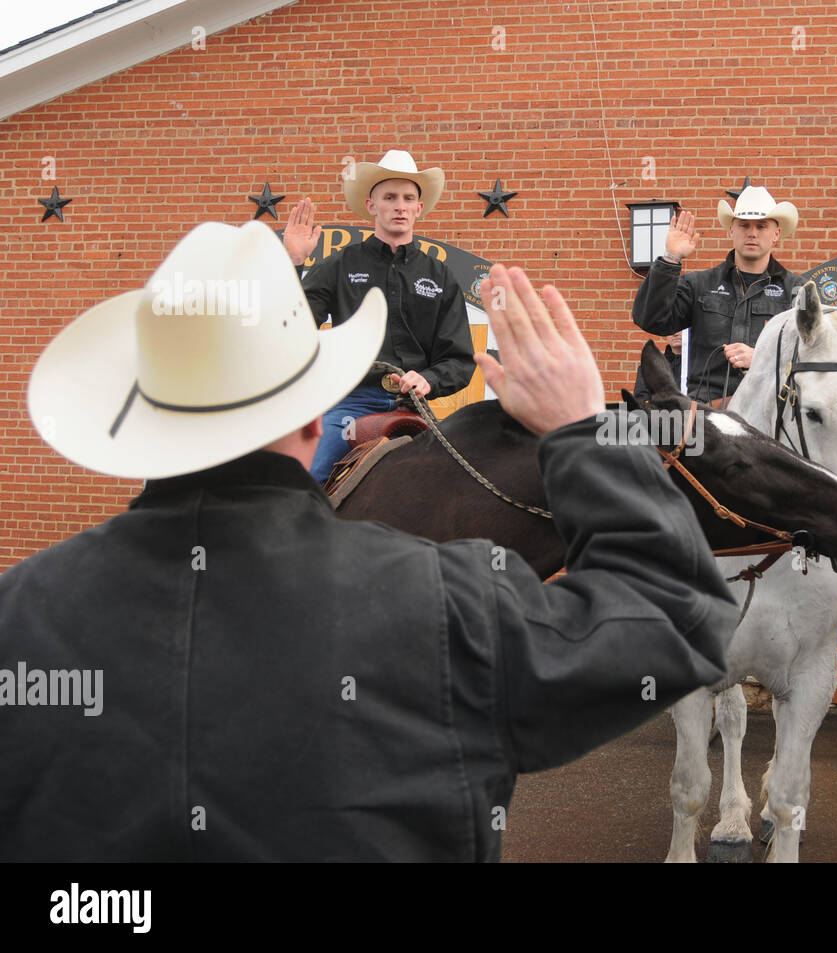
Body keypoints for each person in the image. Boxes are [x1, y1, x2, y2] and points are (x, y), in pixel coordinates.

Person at [0, 220, 738, 861]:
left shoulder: (17, 616)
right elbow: (677, 614)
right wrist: (584, 431)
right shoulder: (452, 602)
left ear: (136, 426)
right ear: (315, 418)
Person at [282, 149, 476, 483]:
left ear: (419, 207)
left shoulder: (440, 276)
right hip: (353, 404)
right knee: (309, 479)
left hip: (415, 405)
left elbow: (459, 360)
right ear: (372, 205)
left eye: (408, 198)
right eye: (390, 197)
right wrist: (292, 263)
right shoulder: (343, 264)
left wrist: (429, 379)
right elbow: (292, 329)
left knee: (461, 486)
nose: (400, 205)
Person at [631, 186, 801, 405]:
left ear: (776, 233)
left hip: (769, 417)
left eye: (761, 226)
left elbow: (813, 357)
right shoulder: (698, 284)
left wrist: (762, 359)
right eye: (744, 225)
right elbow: (650, 319)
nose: (752, 233)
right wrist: (671, 258)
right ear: (732, 230)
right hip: (706, 419)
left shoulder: (797, 291)